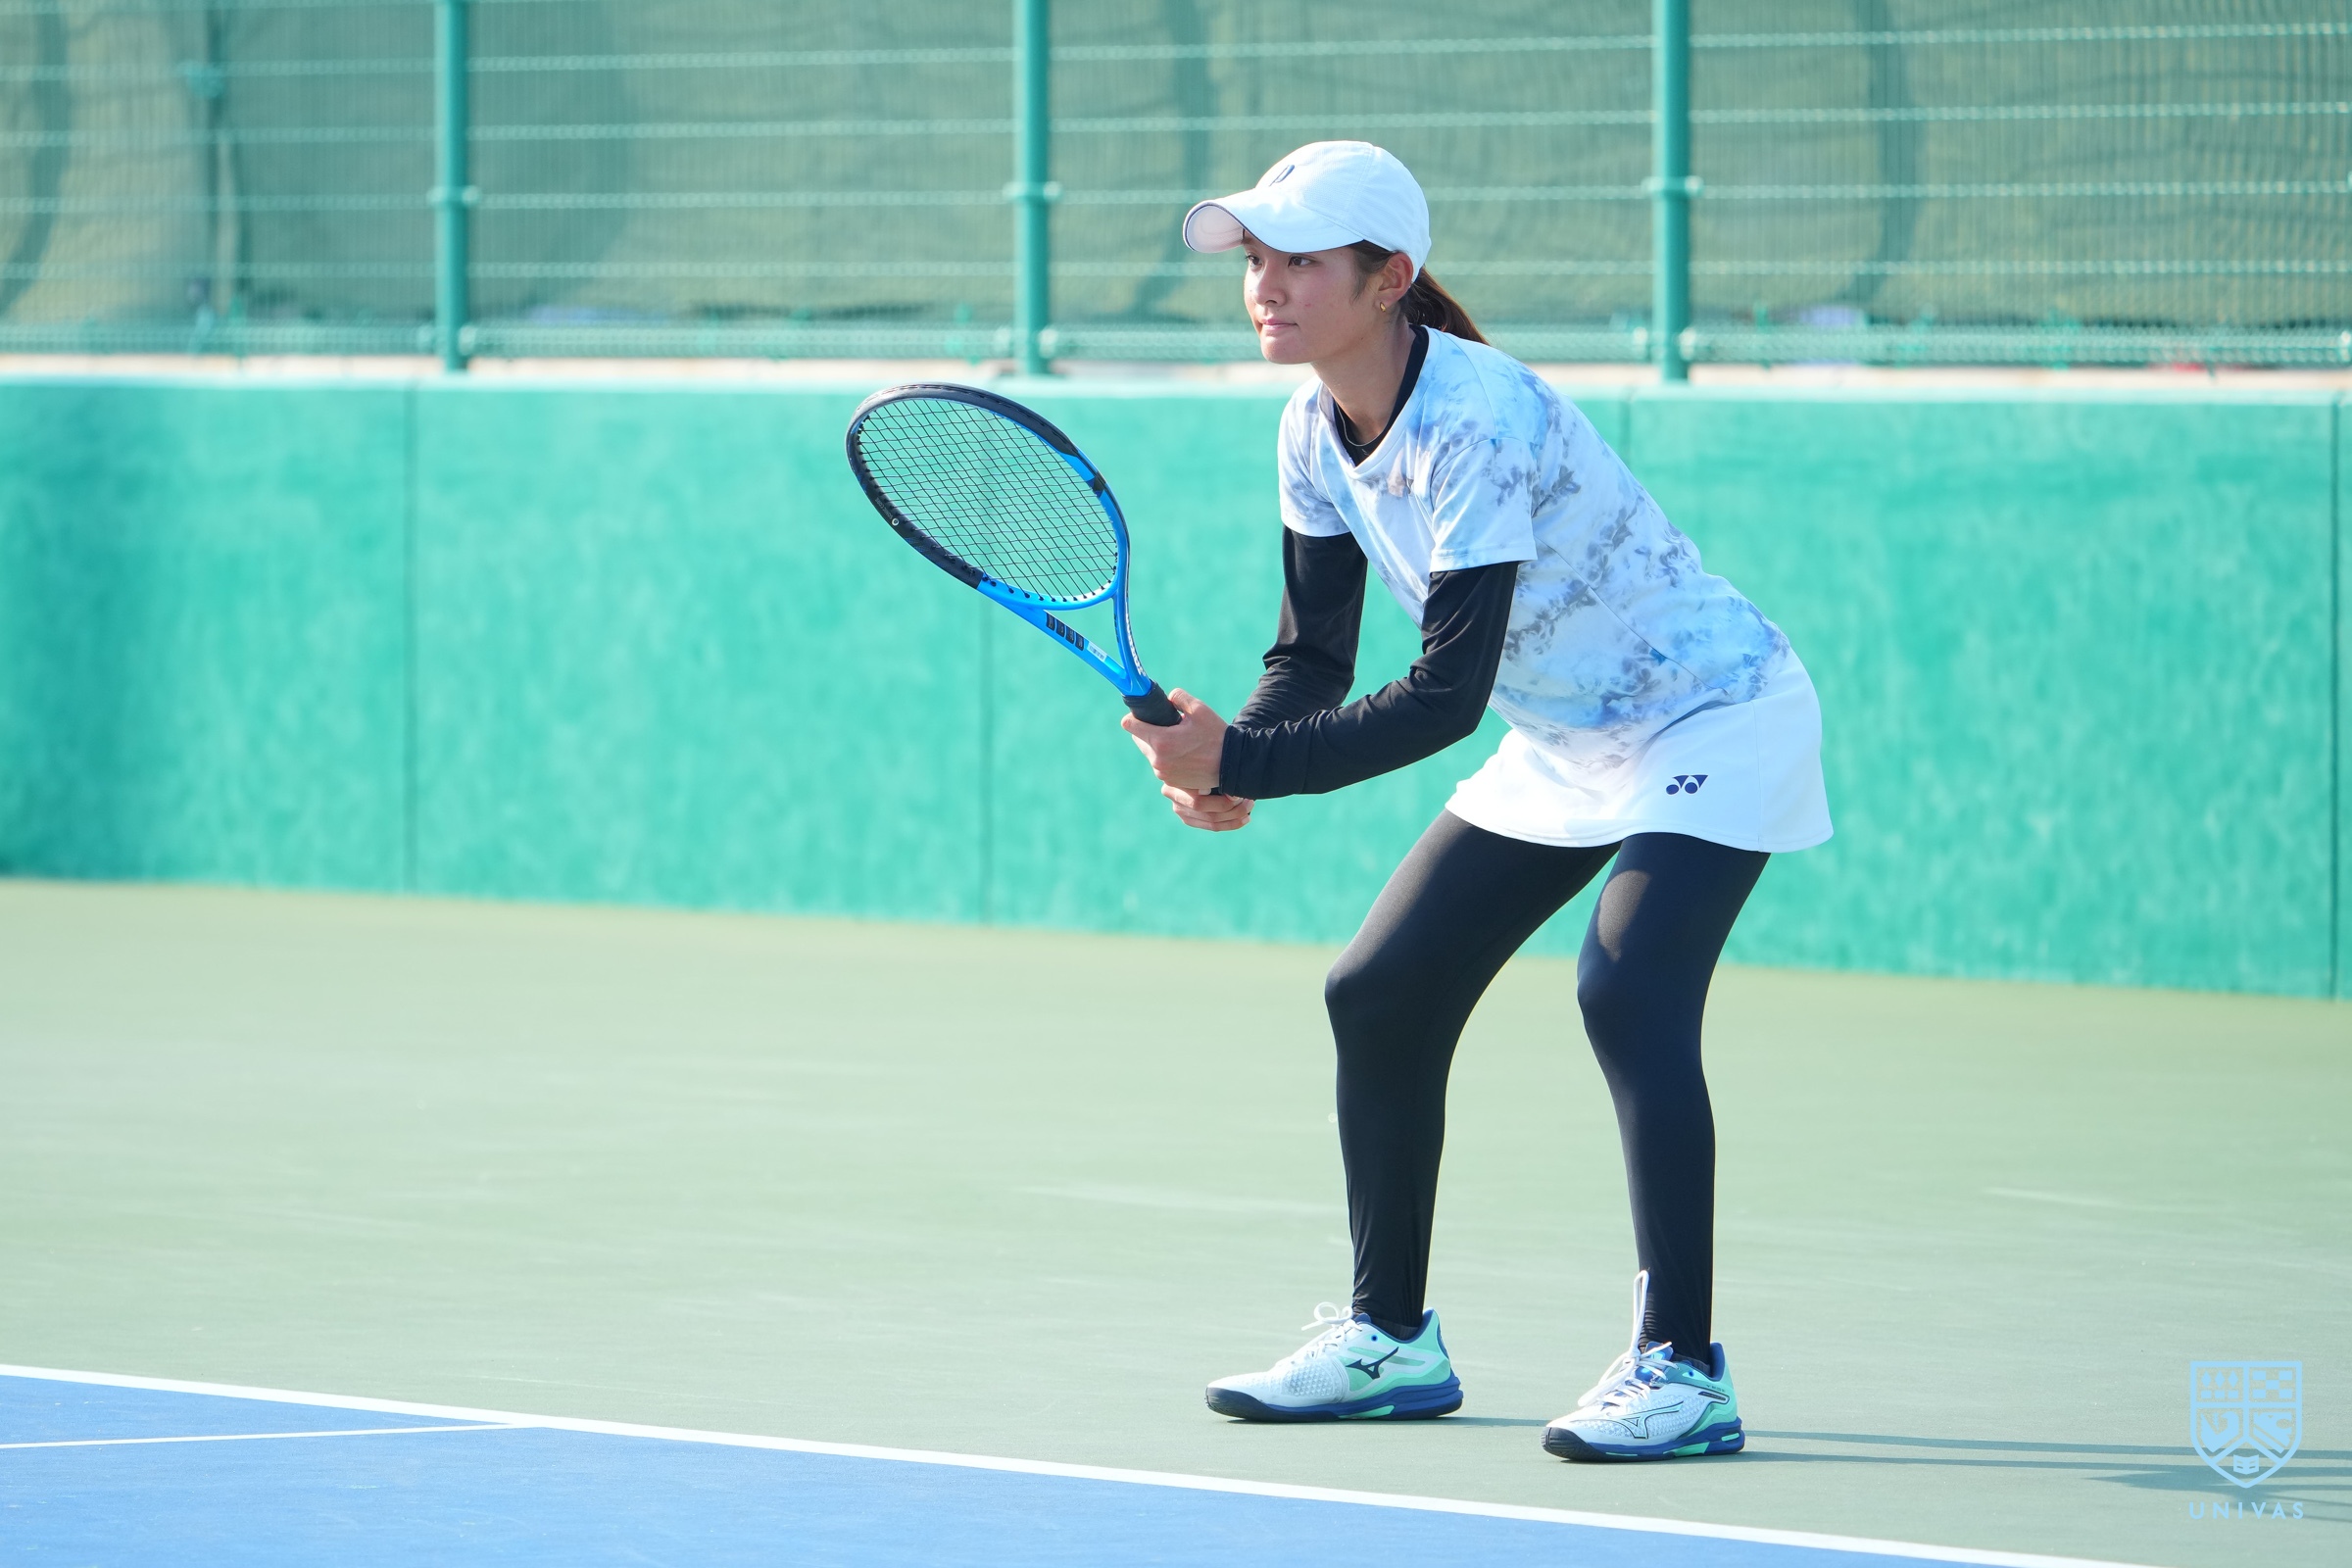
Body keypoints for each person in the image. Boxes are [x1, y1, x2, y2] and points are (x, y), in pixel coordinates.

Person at [1119, 141, 1832, 1463]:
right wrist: (1237, 757)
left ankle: (1684, 1367)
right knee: (1378, 991)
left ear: (1389, 278)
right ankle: (1390, 1340)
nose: (1265, 285)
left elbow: (1445, 696)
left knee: (1627, 990)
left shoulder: (1478, 417)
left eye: (1300, 261)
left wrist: (1246, 764)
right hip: (1566, 739)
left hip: (1712, 711)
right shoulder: (1309, 430)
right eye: (1256, 259)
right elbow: (1313, 658)